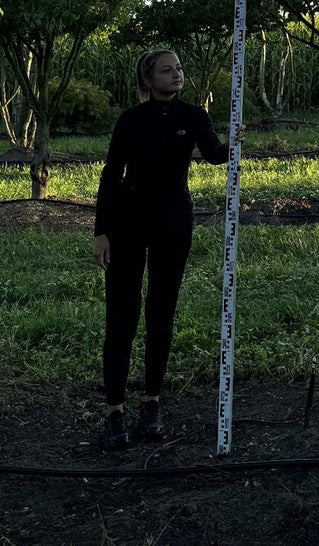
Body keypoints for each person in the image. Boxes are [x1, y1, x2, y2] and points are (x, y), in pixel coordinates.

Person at [93, 48, 240, 449]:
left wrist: (235, 144)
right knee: (121, 317)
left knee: (162, 313)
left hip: (174, 227)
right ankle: (114, 411)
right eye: (166, 70)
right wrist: (101, 231)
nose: (176, 74)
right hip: (127, 226)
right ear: (148, 79)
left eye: (178, 68)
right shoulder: (130, 120)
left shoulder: (192, 116)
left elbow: (213, 155)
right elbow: (111, 174)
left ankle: (151, 404)